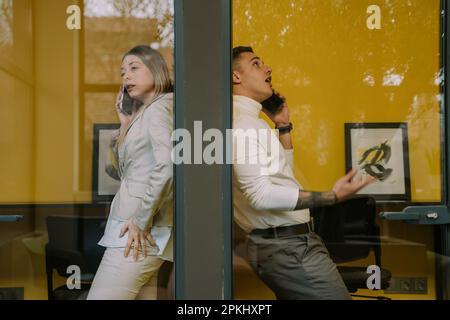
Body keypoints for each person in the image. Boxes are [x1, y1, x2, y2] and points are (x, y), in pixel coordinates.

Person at [232, 46, 375, 300]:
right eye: (256, 64)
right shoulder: (242, 126)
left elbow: (283, 177)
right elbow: (260, 195)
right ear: (236, 76)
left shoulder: (251, 122)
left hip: (290, 244)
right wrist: (330, 197)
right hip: (288, 247)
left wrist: (283, 128)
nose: (268, 68)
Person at [87, 45, 174, 300]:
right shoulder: (146, 113)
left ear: (157, 70)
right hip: (138, 232)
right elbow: (122, 173)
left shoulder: (159, 108)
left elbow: (167, 167)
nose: (126, 77)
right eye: (123, 71)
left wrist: (140, 219)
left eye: (134, 68)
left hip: (137, 234)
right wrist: (125, 126)